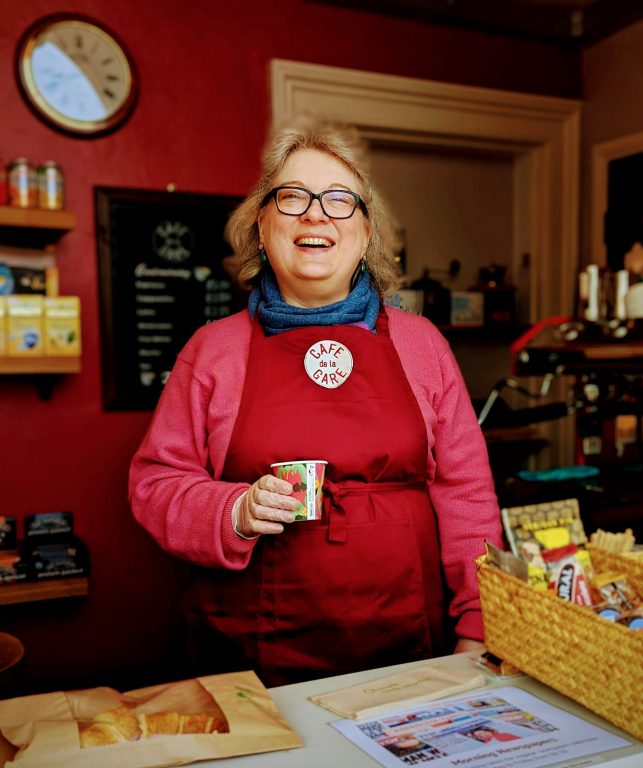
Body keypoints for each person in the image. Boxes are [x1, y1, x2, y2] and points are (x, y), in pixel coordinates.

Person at [128, 113, 503, 686]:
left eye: (338, 200)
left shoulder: (422, 344)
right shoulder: (212, 351)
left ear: (366, 231)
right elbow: (155, 484)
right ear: (260, 225)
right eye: (292, 196)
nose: (314, 214)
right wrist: (233, 512)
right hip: (252, 653)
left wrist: (478, 622)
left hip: (411, 642)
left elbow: (467, 496)